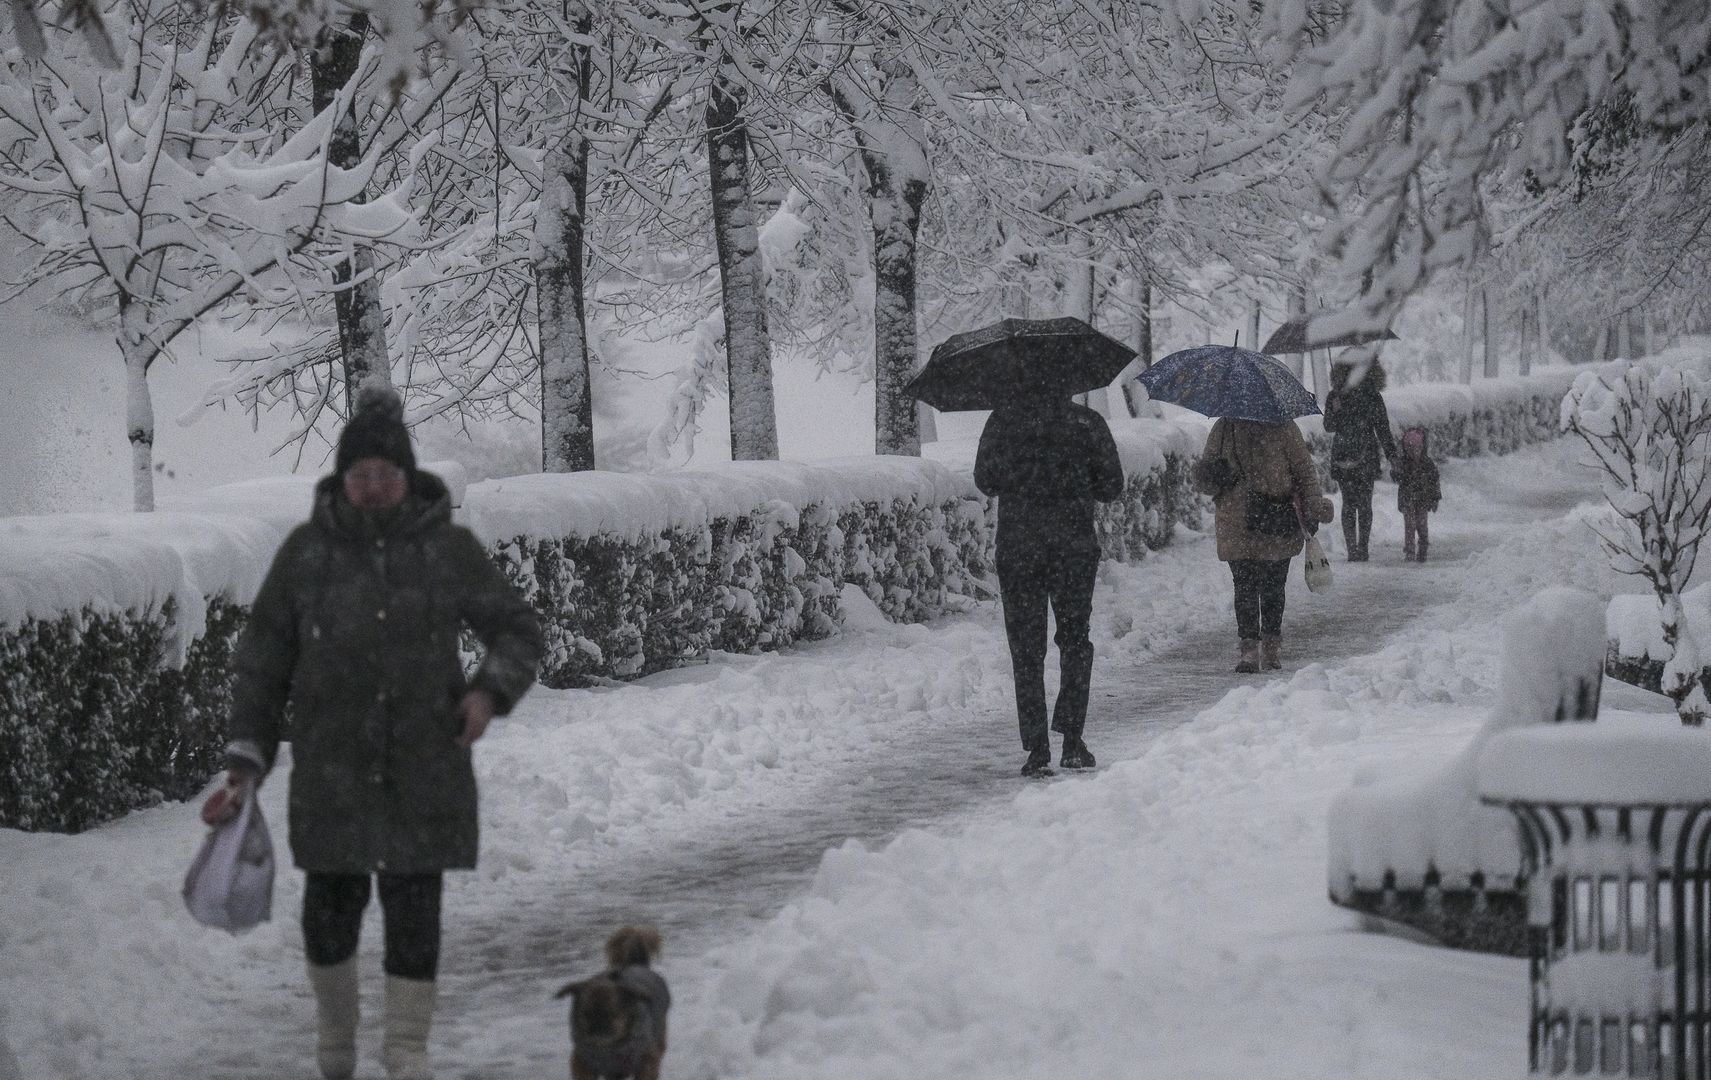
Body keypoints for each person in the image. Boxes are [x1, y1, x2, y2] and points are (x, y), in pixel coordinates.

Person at [200, 380, 543, 1080]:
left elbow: (518, 631)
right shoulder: (306, 553)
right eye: (361, 475)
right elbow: (263, 661)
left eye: (386, 474)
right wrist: (246, 757)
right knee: (331, 910)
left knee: (415, 910)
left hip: (426, 764)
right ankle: (335, 1047)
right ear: (343, 479)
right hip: (334, 769)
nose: (374, 487)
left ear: (407, 476)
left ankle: (407, 1051)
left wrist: (486, 694)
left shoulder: (447, 549)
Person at [974, 387, 1124, 778]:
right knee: (1075, 638)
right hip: (1072, 546)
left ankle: (1037, 747)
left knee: (1026, 647)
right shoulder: (1087, 423)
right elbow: (1111, 486)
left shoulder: (1003, 420)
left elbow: (985, 480)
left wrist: (1022, 470)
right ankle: (1072, 740)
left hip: (1019, 547)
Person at [1193, 417, 1336, 673]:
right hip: (1240, 520)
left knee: (1270, 584)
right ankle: (1251, 646)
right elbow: (1205, 480)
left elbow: (1304, 470)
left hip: (1274, 517)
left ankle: (1268, 644)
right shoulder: (1226, 428)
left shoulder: (1279, 425)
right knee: (1247, 584)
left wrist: (1314, 505)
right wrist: (1214, 472)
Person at [1322, 354, 1398, 561]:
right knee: (1357, 503)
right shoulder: (1338, 396)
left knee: (1359, 503)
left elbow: (1382, 428)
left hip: (1359, 454)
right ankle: (1355, 549)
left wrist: (1392, 455)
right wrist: (1335, 410)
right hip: (1351, 454)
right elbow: (1329, 425)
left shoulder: (1372, 396)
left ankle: (1359, 549)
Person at [1395, 426, 1442, 562]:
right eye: (1409, 448)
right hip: (1407, 498)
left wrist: (1435, 498)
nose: (1413, 452)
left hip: (1423, 499)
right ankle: (1409, 549)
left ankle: (1423, 547)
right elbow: (1397, 477)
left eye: (1416, 448)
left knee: (1422, 524)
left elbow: (1434, 481)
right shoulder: (1403, 463)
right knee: (1409, 524)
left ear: (1422, 448)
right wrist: (1396, 471)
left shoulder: (1427, 464)